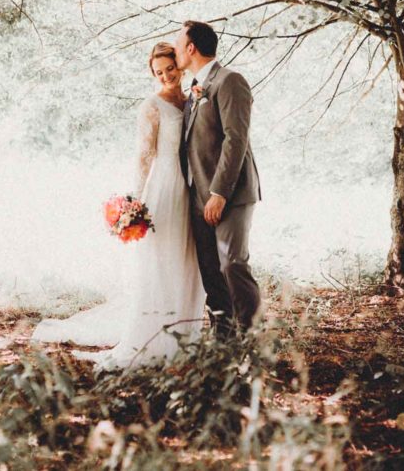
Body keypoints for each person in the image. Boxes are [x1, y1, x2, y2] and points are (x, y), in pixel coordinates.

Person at [30, 42, 206, 370]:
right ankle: (152, 336)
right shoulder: (151, 106)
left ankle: (183, 335)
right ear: (152, 75)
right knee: (160, 260)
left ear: (181, 67)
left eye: (170, 68)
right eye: (159, 72)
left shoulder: (193, 100)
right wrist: (134, 201)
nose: (166, 75)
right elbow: (144, 155)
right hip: (165, 187)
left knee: (187, 261)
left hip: (192, 187)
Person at [174, 20, 262, 336]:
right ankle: (224, 340)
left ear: (191, 47)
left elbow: (235, 138)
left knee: (232, 264)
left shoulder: (230, 81)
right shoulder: (193, 90)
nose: (174, 49)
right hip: (197, 194)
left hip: (231, 192)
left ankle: (250, 335)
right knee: (211, 271)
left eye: (177, 42)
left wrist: (219, 192)